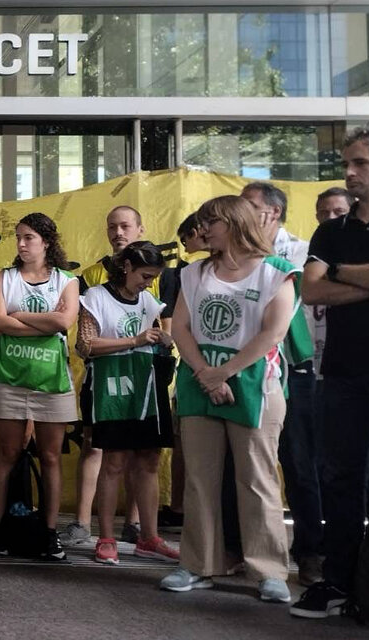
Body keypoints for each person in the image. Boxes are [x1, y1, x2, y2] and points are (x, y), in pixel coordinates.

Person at [162, 194, 296, 604]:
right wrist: (206, 373)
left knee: (257, 479)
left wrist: (226, 371)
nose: (203, 231)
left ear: (234, 223)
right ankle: (198, 564)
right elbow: (181, 328)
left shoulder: (276, 272)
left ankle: (269, 571)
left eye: (210, 223)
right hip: (200, 384)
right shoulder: (194, 273)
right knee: (200, 480)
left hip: (255, 387)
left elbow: (273, 332)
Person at [291, 124, 369, 618]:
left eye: (361, 163)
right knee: (340, 478)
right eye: (346, 165)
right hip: (345, 372)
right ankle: (339, 583)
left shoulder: (338, 246)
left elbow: (327, 280)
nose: (349, 173)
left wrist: (339, 271)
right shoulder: (331, 230)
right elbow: (310, 291)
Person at [76, 241, 178, 565]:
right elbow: (85, 345)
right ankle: (105, 537)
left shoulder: (149, 301)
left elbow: (157, 336)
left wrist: (165, 339)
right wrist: (133, 340)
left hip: (146, 386)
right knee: (114, 462)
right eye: (145, 275)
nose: (148, 282)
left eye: (153, 277)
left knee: (149, 460)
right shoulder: (96, 297)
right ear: (126, 267)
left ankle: (149, 536)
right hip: (112, 386)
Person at [0, 212, 79, 560]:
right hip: (9, 379)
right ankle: (2, 526)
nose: (21, 245)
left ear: (47, 242)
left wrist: (18, 317)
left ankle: (50, 531)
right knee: (6, 453)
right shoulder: (5, 277)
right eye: (19, 238)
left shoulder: (67, 280)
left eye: (29, 238)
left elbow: (64, 322)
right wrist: (43, 322)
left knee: (51, 456)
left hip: (52, 382)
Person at [66, 206, 162, 546]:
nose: (118, 232)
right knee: (94, 446)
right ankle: (81, 521)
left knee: (141, 451)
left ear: (140, 228)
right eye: (112, 226)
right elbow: (85, 341)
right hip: (104, 375)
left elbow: (161, 325)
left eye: (125, 226)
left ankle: (135, 524)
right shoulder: (92, 276)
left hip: (147, 376)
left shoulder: (159, 273)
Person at [241, 181, 319, 585]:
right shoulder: (234, 255)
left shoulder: (301, 251)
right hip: (245, 369)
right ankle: (241, 550)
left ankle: (310, 553)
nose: (240, 213)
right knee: (246, 465)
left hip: (292, 369)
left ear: (271, 213)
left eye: (247, 206)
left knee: (299, 464)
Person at [157, 213, 210, 529]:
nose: (186, 247)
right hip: (192, 370)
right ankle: (182, 509)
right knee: (187, 444)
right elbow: (178, 328)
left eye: (186, 240)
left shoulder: (258, 270)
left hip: (234, 371)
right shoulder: (186, 276)